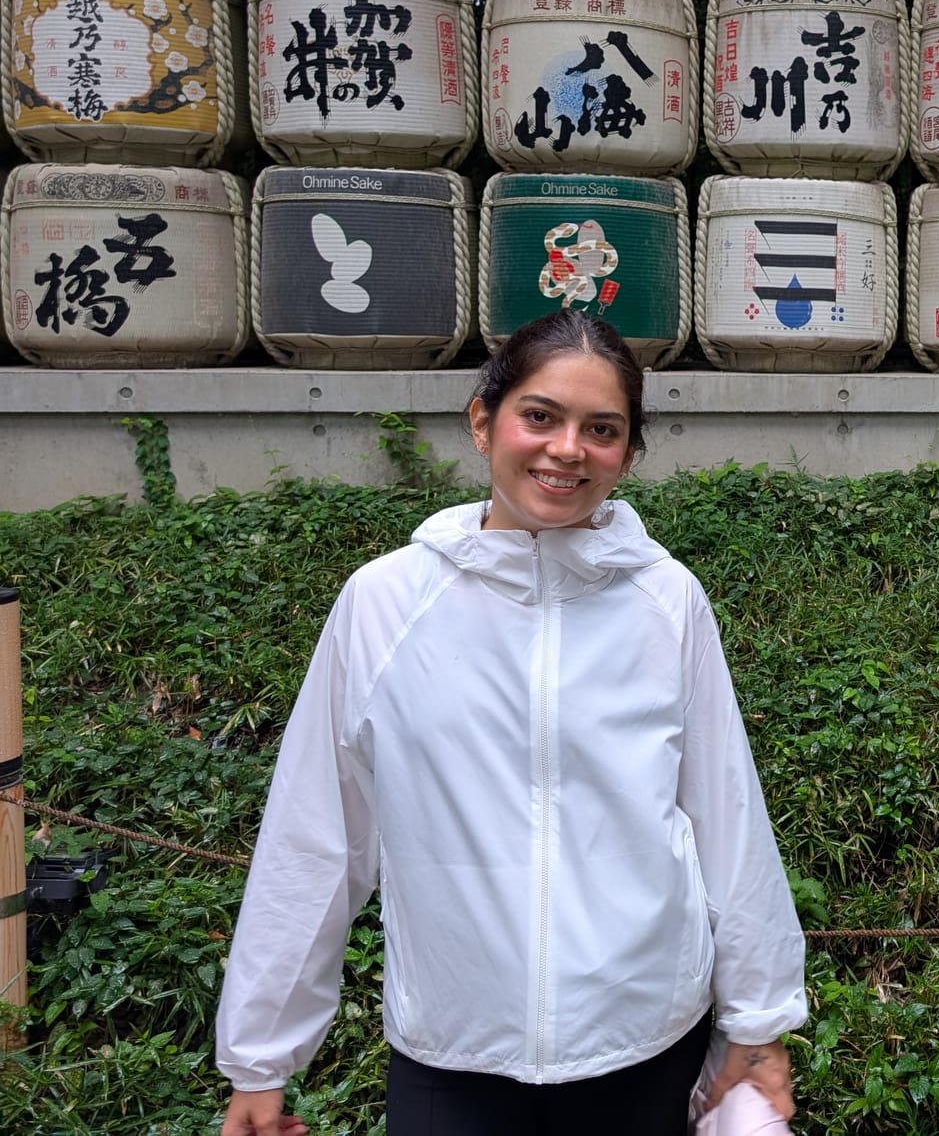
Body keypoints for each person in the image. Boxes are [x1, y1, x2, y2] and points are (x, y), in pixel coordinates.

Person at [215, 309, 808, 1135]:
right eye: (541, 416)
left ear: (627, 454)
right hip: (453, 1056)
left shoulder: (664, 601)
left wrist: (758, 1024)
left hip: (643, 1045)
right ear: (482, 420)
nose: (568, 449)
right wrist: (261, 1059)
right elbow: (317, 834)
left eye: (601, 429)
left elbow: (726, 818)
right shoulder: (385, 604)